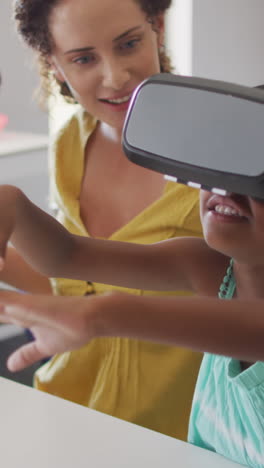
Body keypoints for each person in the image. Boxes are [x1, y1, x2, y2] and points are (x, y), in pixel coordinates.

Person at [0, 0, 203, 440]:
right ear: (54, 64)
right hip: (67, 413)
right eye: (84, 58)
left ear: (158, 26)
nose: (115, 76)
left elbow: (236, 299)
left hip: (176, 437)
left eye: (128, 44)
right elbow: (73, 287)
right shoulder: (70, 143)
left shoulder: (217, 151)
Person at [0, 177, 264, 468]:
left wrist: (98, 315)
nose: (226, 188)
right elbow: (68, 256)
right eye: (220, 167)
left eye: (258, 180)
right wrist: (13, 205)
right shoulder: (213, 269)